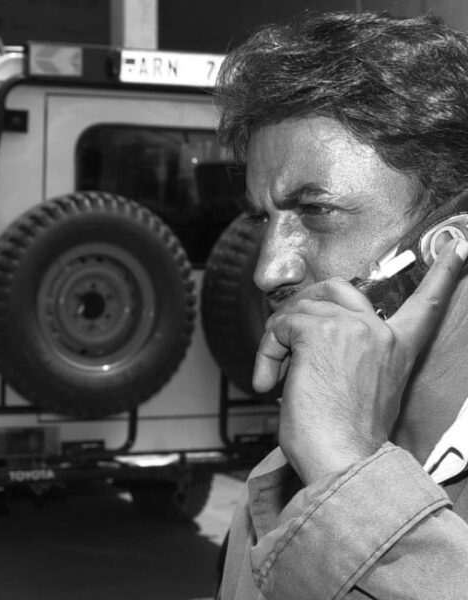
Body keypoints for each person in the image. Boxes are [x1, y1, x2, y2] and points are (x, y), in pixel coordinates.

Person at [214, 11, 468, 600]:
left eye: (316, 211)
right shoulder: (276, 487)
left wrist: (348, 475)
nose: (268, 270)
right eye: (262, 219)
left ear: (446, 245)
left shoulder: (322, 464)